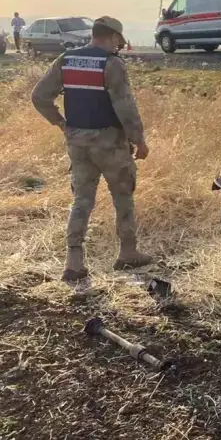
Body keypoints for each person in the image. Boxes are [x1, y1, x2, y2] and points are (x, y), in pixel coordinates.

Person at [30, 16, 152, 282]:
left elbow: (39, 96)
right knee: (123, 196)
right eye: (118, 41)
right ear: (111, 37)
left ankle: (73, 262)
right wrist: (139, 140)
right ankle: (128, 253)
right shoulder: (112, 64)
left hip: (77, 141)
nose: (118, 46)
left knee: (82, 200)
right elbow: (125, 107)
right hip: (110, 142)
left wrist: (60, 123)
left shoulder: (66, 60)